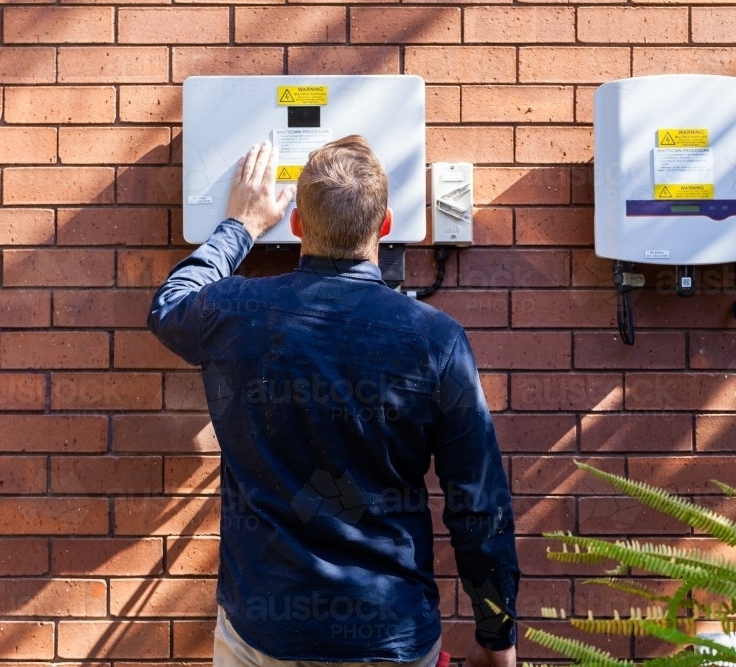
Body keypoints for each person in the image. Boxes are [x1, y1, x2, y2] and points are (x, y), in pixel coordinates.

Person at [148, 136, 519, 667]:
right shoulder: (435, 340)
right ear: (386, 225)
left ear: (296, 224)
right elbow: (479, 505)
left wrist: (242, 227)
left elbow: (170, 305)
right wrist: (497, 637)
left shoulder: (238, 311)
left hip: (263, 635)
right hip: (389, 635)